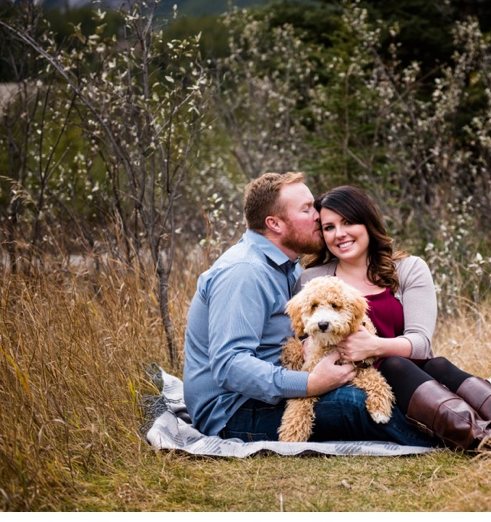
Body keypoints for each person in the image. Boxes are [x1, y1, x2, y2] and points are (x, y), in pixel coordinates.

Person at [183, 172, 439, 447]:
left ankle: (458, 417)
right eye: (307, 209)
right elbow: (230, 366)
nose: (319, 216)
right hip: (235, 411)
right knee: (356, 403)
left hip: (276, 390)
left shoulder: (288, 265)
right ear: (275, 223)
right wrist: (310, 384)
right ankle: (448, 441)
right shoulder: (244, 272)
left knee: (403, 377)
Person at [300, 185, 491, 450]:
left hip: (417, 381)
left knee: (438, 365)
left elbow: (421, 343)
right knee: (394, 365)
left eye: (348, 222)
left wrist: (374, 346)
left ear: (366, 222)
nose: (340, 234)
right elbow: (304, 337)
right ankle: (482, 437)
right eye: (329, 227)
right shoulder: (313, 279)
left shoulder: (409, 269)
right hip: (360, 385)